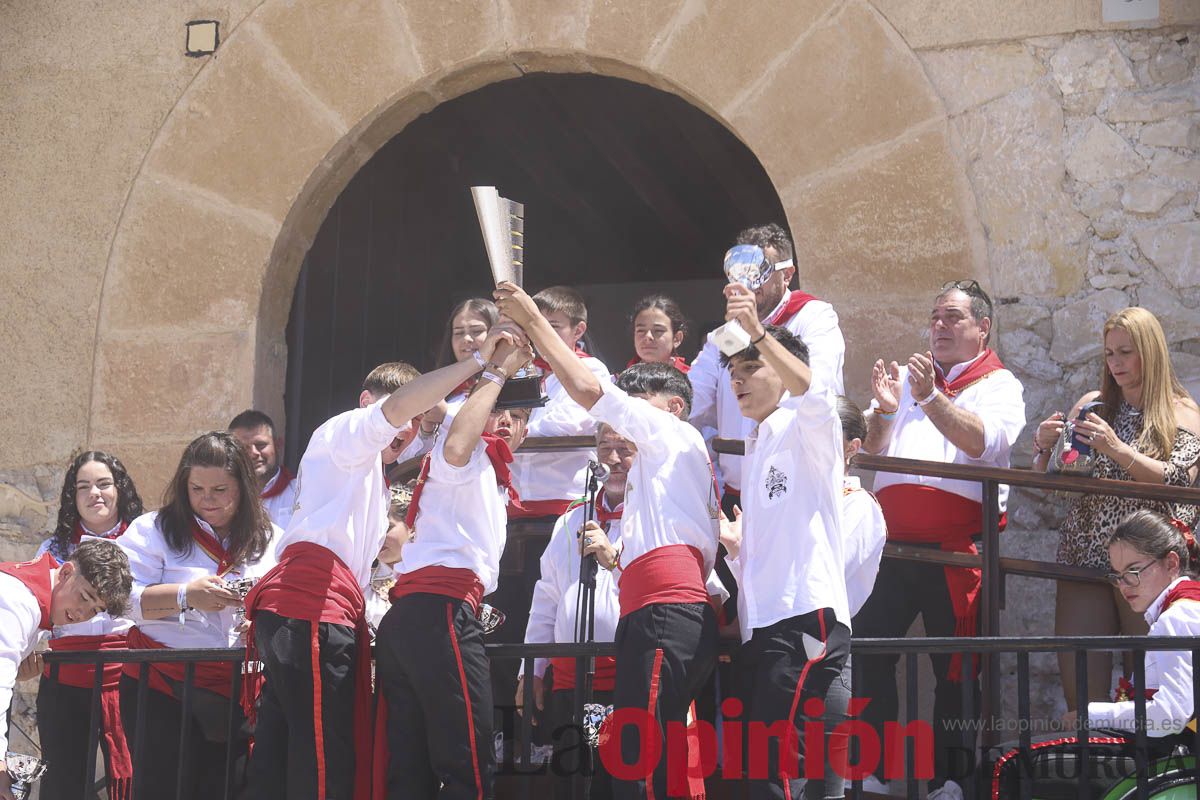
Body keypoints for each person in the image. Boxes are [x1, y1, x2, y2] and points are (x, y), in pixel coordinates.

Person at [243, 346, 511, 800]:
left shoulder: (367, 472)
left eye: (414, 423)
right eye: (401, 415)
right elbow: (401, 411)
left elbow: (438, 425)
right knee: (325, 761)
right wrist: (482, 363)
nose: (406, 431)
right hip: (310, 608)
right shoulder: (345, 434)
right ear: (367, 401)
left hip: (316, 610)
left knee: (282, 753)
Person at [496, 282, 720, 800]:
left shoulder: (667, 434)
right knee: (640, 752)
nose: (626, 416)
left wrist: (532, 321)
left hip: (665, 610)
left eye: (638, 405)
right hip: (654, 608)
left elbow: (588, 390)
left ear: (675, 408)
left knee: (642, 759)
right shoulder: (659, 469)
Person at [855, 280, 1026, 799]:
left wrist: (929, 397)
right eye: (935, 317)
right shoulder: (908, 379)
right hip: (891, 547)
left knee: (955, 668)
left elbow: (981, 443)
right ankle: (874, 775)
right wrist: (886, 411)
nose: (940, 326)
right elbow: (870, 450)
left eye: (952, 317)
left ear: (982, 327)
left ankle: (949, 781)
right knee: (867, 654)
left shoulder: (1000, 385)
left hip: (956, 553)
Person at [374, 333, 532, 800]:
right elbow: (459, 441)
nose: (505, 422)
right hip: (439, 612)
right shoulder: (469, 454)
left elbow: (447, 420)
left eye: (518, 417)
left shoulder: (484, 465)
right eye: (498, 409)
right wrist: (497, 371)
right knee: (468, 764)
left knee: (413, 765)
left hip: (413, 617)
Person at [715, 272, 850, 800]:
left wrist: (759, 330)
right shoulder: (757, 442)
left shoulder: (806, 424)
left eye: (751, 369)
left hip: (802, 617)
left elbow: (814, 390)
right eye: (734, 374)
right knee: (766, 769)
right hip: (766, 626)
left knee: (776, 772)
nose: (739, 381)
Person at [1032, 306, 1200, 711]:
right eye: (1109, 354)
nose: (1116, 363)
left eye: (1126, 352)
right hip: (1085, 554)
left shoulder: (1183, 413)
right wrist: (1043, 447)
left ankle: (1145, 772)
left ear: (1151, 352)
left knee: (1148, 690)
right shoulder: (1094, 405)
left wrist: (1117, 449)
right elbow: (1056, 482)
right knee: (1081, 691)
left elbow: (1182, 480)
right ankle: (1090, 769)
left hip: (1148, 564)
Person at [991, 510, 1200, 799]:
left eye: (1133, 572)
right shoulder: (1187, 608)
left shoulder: (1175, 618)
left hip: (1162, 752)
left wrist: (1093, 714)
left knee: (1004, 761)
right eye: (1117, 575)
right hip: (1165, 747)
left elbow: (1171, 715)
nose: (1124, 585)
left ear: (1171, 563)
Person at [117, 432, 278, 800]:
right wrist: (186, 596)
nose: (207, 499)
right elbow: (120, 599)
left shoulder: (271, 539)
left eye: (220, 490)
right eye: (196, 488)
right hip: (161, 683)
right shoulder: (153, 530)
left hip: (239, 689)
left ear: (244, 487)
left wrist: (263, 619)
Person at [689, 223, 846, 511]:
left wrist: (756, 332)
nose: (749, 283)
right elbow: (693, 398)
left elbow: (816, 389)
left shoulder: (815, 317)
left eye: (758, 271)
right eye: (740, 272)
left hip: (797, 489)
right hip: (737, 494)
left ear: (787, 274)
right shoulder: (726, 335)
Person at [34, 451, 144, 800]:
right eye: (83, 486)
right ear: (73, 497)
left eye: (103, 484)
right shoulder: (53, 549)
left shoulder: (144, 542)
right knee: (65, 781)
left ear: (120, 489)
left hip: (127, 678)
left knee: (136, 776)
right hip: (67, 679)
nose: (94, 493)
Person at [0, 539, 132, 800]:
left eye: (96, 610)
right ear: (66, 572)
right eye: (84, 596)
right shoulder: (19, 602)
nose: (83, 613)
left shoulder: (31, 598)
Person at [509, 285, 613, 519]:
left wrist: (511, 434)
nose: (541, 334)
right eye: (535, 325)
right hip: (512, 500)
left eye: (552, 327)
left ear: (578, 331)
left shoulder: (589, 369)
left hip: (567, 501)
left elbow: (566, 424)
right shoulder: (517, 369)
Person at [229, 409, 297, 530]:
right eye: (243, 448)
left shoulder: (299, 493)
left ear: (278, 445)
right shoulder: (223, 497)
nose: (253, 453)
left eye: (261, 445)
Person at [627, 294, 690, 373]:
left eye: (658, 330)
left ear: (677, 338)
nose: (648, 336)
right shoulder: (616, 383)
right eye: (641, 330)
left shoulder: (694, 381)